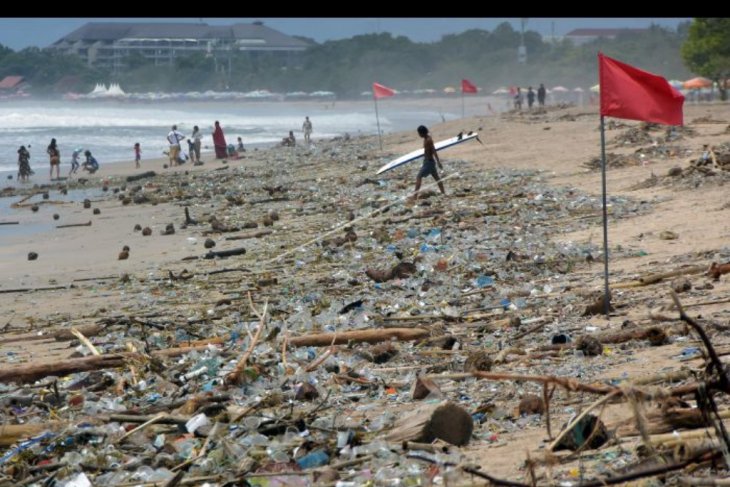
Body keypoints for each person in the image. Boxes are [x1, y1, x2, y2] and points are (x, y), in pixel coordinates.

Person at [414, 125, 445, 199]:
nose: (419, 135)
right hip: (428, 162)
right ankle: (443, 192)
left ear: (422, 133)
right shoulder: (426, 139)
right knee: (436, 177)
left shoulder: (428, 140)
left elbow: (434, 151)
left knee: (419, 176)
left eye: (419, 133)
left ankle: (415, 196)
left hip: (429, 163)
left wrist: (438, 162)